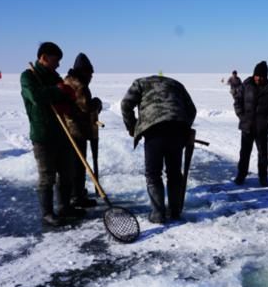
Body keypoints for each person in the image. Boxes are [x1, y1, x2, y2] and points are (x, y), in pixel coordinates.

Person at [20, 42, 86, 227]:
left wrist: (67, 97)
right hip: (43, 134)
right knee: (47, 175)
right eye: (56, 60)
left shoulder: (55, 77)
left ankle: (65, 207)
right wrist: (56, 91)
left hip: (62, 132)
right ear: (43, 57)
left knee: (67, 173)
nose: (58, 65)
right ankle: (47, 213)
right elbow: (35, 97)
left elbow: (66, 97)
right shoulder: (28, 77)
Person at [121, 75, 197, 224]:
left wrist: (133, 127)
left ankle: (158, 214)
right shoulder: (177, 84)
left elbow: (125, 104)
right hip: (177, 129)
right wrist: (184, 127)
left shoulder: (140, 83)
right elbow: (192, 110)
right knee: (174, 173)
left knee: (153, 174)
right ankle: (175, 211)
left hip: (154, 130)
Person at [62, 53, 103, 208]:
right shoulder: (80, 85)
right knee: (79, 164)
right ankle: (76, 196)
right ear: (83, 71)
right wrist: (97, 103)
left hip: (65, 129)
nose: (91, 76)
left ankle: (75, 192)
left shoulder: (66, 81)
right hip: (76, 130)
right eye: (90, 73)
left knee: (72, 164)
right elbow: (86, 107)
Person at [233, 61, 268, 187]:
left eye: (262, 76)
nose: (259, 78)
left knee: (263, 155)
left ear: (266, 76)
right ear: (254, 75)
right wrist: (242, 116)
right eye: (257, 75)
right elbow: (237, 102)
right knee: (244, 153)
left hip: (262, 128)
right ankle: (241, 175)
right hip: (247, 126)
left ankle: (263, 177)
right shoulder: (246, 85)